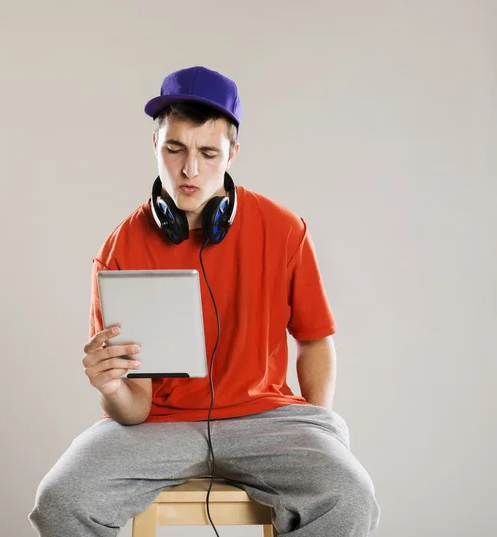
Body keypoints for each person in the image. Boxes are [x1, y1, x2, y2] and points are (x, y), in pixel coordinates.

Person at [29, 66, 381, 536]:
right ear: (155, 145)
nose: (188, 169)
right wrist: (111, 387)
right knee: (61, 500)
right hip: (158, 426)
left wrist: (317, 424)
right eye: (174, 149)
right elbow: (135, 407)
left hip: (266, 419)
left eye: (207, 152)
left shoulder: (283, 228)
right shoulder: (121, 249)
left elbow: (315, 340)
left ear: (232, 153)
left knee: (350, 498)